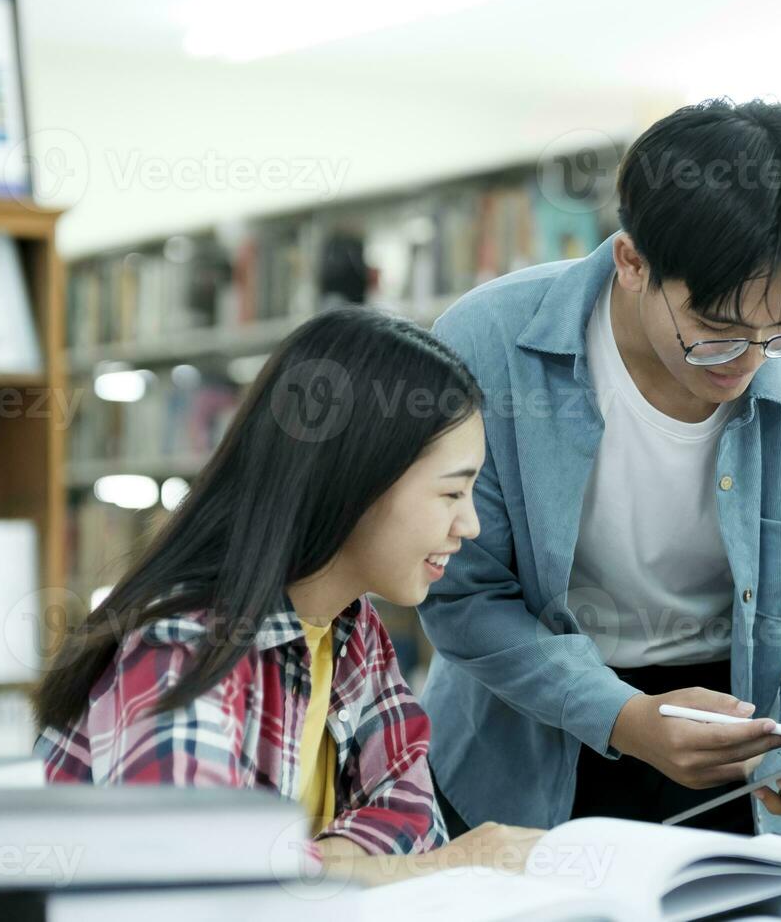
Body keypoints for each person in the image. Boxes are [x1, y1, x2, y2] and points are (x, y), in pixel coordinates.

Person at [420, 99, 781, 838]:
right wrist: (621, 716)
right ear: (632, 262)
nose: (750, 362)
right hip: (519, 740)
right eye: (717, 332)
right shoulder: (487, 346)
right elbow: (463, 595)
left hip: (735, 750)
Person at [33, 307, 541, 879]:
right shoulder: (184, 644)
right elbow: (196, 878)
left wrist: (304, 864)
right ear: (358, 479)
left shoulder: (353, 630)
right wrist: (440, 867)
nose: (469, 526)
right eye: (452, 493)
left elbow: (414, 815)